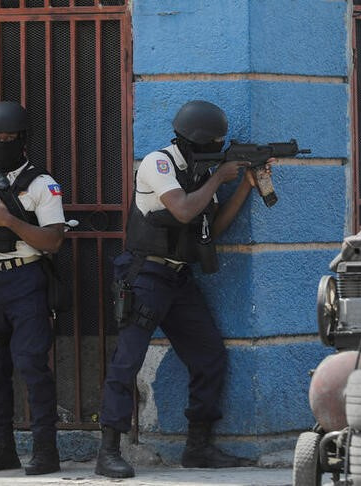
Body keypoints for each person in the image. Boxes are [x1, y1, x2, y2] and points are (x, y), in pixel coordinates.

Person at [95, 100, 269, 478]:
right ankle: (108, 450)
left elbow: (213, 228)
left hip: (177, 278)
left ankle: (199, 446)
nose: (215, 152)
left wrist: (244, 188)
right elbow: (185, 211)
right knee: (127, 360)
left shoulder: (202, 171)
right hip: (145, 275)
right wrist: (220, 177)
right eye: (212, 145)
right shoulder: (160, 164)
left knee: (209, 355)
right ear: (193, 141)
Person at [0, 101, 66, 474]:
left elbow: (53, 241)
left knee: (32, 366)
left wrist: (9, 221)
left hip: (26, 280)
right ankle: (2, 448)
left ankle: (45, 452)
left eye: (9, 138)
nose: (2, 143)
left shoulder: (41, 184)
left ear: (22, 140)